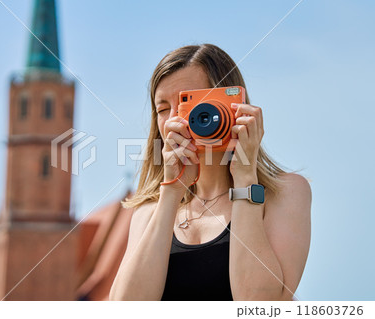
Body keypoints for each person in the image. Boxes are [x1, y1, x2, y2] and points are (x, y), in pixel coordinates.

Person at [109, 44, 311, 301]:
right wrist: (171, 191)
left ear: (232, 105)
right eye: (162, 110)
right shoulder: (148, 212)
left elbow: (260, 305)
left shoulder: (285, 193)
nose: (175, 120)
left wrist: (246, 177)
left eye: (188, 104)